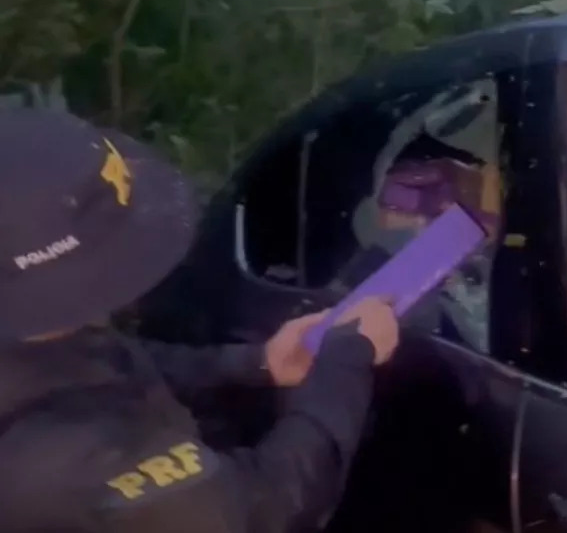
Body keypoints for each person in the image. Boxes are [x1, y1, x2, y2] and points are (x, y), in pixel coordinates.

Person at [0, 108, 399, 532]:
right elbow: (265, 507)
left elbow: (97, 360)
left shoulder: (34, 330)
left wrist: (256, 362)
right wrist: (343, 366)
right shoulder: (68, 466)